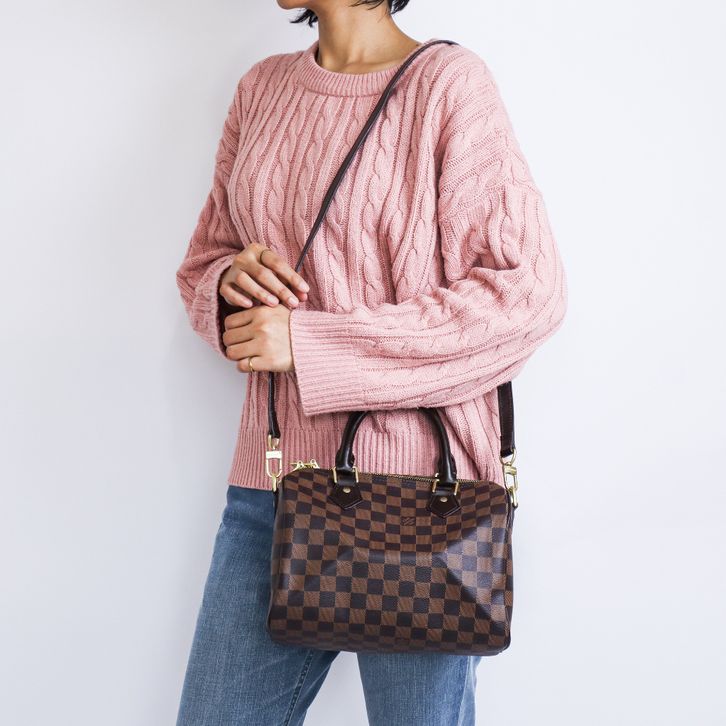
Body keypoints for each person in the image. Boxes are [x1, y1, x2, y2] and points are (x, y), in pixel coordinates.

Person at [174, 1, 567, 724]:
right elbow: (206, 260)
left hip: (427, 503)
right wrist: (230, 285)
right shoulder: (261, 88)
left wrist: (311, 345)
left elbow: (526, 294)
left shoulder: (448, 85)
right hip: (271, 490)